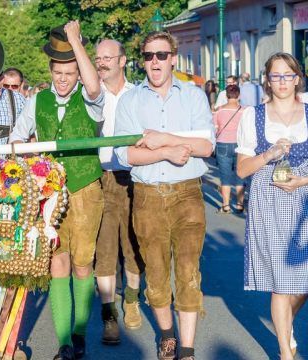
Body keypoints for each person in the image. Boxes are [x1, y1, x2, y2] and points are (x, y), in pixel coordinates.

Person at [114, 31, 214, 360]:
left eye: (160, 55)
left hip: (188, 195)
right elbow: (125, 155)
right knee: (155, 273)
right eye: (148, 56)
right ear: (143, 61)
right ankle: (167, 335)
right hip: (146, 196)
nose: (154, 61)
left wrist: (162, 139)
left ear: (173, 57)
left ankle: (186, 348)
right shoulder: (130, 100)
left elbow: (206, 146)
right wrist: (168, 152)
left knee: (188, 271)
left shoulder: (195, 96)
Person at [10, 21, 105, 360]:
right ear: (50, 71)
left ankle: (80, 333)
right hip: (50, 192)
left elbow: (94, 87)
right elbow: (16, 139)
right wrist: (28, 149)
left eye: (70, 72)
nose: (64, 78)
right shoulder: (37, 101)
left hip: (85, 188)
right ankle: (64, 342)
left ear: (78, 72)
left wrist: (76, 42)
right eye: (58, 72)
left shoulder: (91, 97)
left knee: (83, 264)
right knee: (58, 264)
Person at [236, 52, 308, 360]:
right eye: (275, 76)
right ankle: (284, 353)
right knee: (281, 282)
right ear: (268, 80)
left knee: (303, 282)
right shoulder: (253, 115)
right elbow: (241, 170)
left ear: (297, 78)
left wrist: (302, 181)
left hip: (304, 198)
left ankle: (285, 326)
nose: (282, 82)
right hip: (269, 200)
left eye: (287, 75)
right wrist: (269, 155)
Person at [93, 39, 144, 345]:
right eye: (98, 58)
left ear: (122, 61)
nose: (102, 62)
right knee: (105, 251)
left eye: (108, 57)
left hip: (132, 177)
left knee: (134, 246)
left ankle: (133, 300)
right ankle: (109, 316)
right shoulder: (90, 96)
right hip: (100, 177)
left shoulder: (139, 95)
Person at [212, 84, 245, 214]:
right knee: (240, 176)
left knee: (225, 178)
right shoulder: (245, 111)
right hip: (240, 145)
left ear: (226, 96)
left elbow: (214, 129)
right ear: (239, 96)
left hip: (222, 145)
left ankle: (226, 206)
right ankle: (239, 205)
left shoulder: (218, 110)